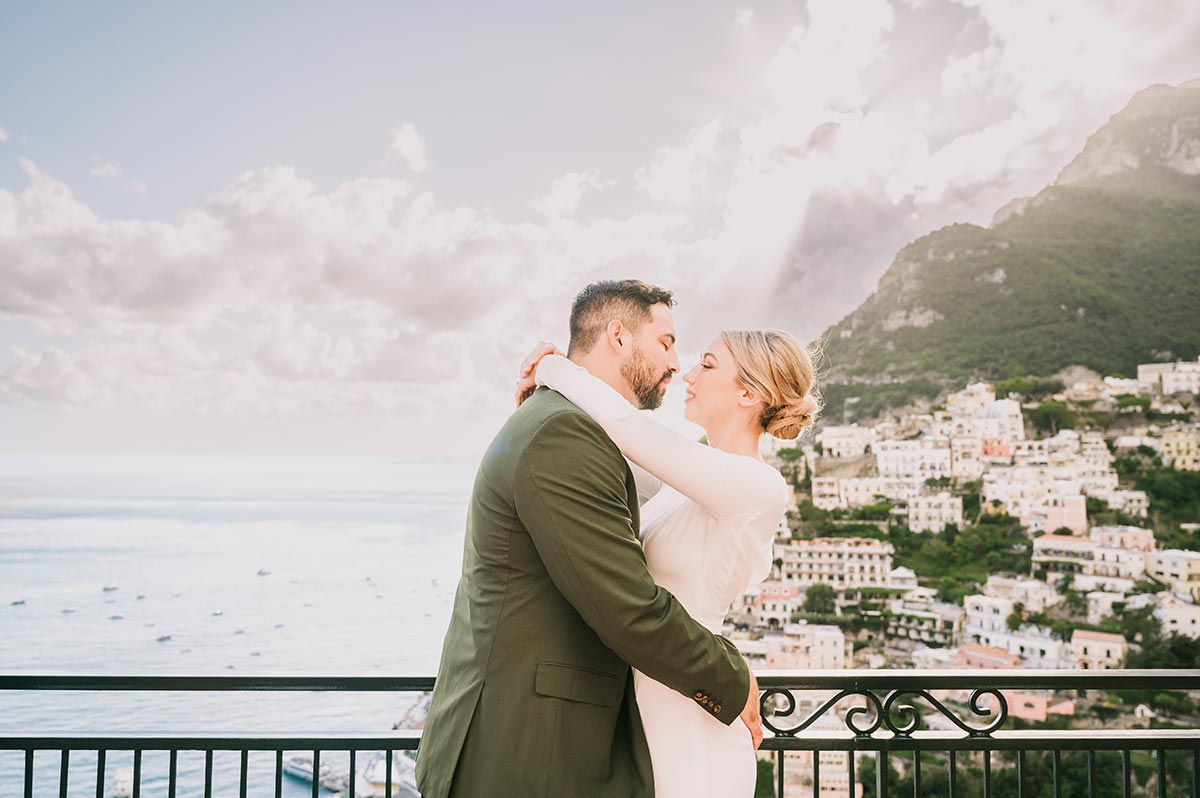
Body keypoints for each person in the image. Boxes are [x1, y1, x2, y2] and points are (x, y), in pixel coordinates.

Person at [415, 280, 762, 798]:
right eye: (666, 342)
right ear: (618, 337)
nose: (676, 363)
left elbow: (654, 480)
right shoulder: (562, 433)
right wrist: (733, 679)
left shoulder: (567, 427)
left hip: (538, 744)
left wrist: (554, 372)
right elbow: (627, 608)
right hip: (523, 750)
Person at [514, 325, 821, 798]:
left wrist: (552, 367)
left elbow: (624, 427)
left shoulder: (758, 486)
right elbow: (588, 463)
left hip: (691, 725)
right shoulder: (682, 481)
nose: (688, 373)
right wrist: (534, 403)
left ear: (748, 392)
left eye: (709, 364)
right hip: (644, 710)